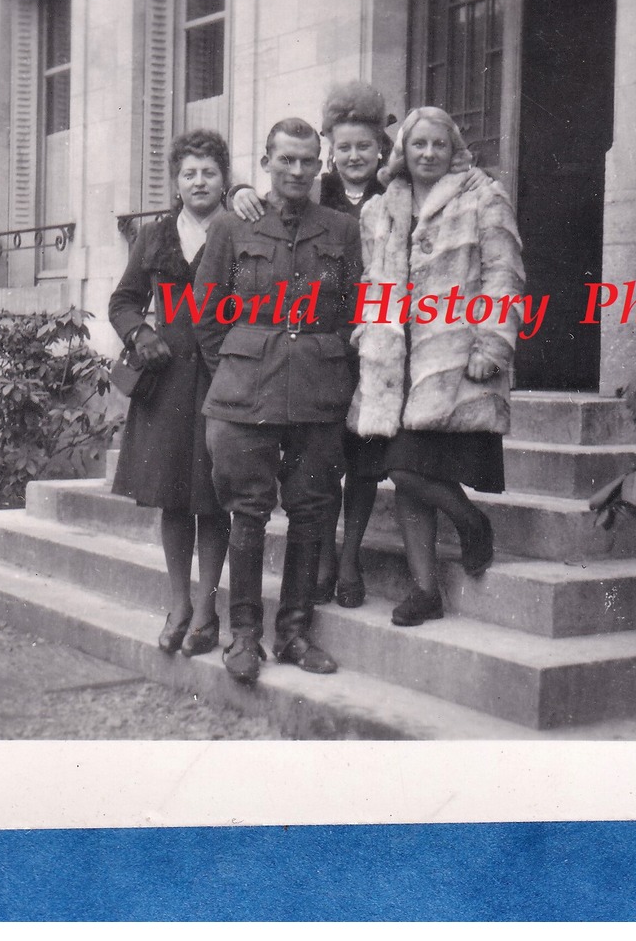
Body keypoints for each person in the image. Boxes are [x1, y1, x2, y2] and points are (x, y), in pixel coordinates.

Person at [195, 118, 363, 685]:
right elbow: (208, 314)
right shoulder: (231, 226)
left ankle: (293, 632)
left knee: (312, 513)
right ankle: (244, 635)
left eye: (307, 161)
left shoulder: (342, 229)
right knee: (247, 512)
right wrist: (247, 364)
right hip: (245, 396)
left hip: (318, 394)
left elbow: (352, 310)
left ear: (321, 165)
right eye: (285, 160)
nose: (296, 171)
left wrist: (322, 361)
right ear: (266, 161)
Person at [347, 106, 526, 626]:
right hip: (393, 356)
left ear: (455, 151)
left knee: (408, 467)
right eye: (418, 144)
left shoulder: (483, 197)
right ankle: (426, 590)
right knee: (405, 475)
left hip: (452, 355)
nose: (428, 154)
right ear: (402, 150)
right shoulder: (378, 210)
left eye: (439, 145)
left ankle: (471, 522)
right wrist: (368, 330)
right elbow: (371, 279)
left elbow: (504, 275)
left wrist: (492, 345)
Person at [230, 82, 392, 608]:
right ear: (330, 150)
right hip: (316, 356)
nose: (353, 157)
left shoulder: (399, 193)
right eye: (343, 147)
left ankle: (348, 561)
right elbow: (265, 202)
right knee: (323, 467)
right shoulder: (311, 189)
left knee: (364, 460)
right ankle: (320, 562)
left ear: (380, 149)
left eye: (363, 146)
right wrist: (239, 192)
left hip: (377, 341)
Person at [108, 129, 234, 656]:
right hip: (167, 379)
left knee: (215, 495)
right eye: (190, 173)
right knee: (174, 499)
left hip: (225, 375)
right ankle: (178, 603)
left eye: (209, 171)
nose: (199, 181)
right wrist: (142, 332)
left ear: (225, 178)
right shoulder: (155, 236)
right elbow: (123, 301)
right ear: (176, 183)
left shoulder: (240, 229)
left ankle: (207, 609)